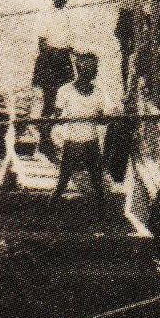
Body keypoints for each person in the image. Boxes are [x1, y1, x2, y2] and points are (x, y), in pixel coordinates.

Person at [51, 52, 115, 209]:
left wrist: (103, 118)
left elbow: (103, 119)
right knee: (63, 178)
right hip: (73, 141)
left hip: (91, 141)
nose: (95, 72)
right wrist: (59, 119)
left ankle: (103, 211)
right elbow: (57, 115)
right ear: (81, 70)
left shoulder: (99, 92)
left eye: (95, 68)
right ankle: (51, 206)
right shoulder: (65, 91)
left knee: (97, 179)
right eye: (92, 68)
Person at [32, 0, 75, 155]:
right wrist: (53, 55)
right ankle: (44, 139)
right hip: (49, 61)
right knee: (49, 101)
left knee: (61, 101)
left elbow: (69, 40)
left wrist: (70, 51)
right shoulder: (45, 14)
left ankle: (46, 132)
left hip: (63, 59)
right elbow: (42, 43)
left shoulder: (67, 13)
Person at [114, 0, 144, 88]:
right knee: (127, 54)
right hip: (127, 15)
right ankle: (128, 83)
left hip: (133, 14)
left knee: (134, 52)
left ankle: (133, 82)